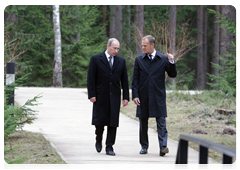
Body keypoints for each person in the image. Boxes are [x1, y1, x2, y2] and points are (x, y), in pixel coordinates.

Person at [132, 35, 177, 156]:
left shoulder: (163, 58)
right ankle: (144, 146)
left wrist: (172, 62)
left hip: (158, 96)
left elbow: (172, 74)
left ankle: (163, 147)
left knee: (161, 122)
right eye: (142, 45)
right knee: (143, 123)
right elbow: (135, 79)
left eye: (145, 45)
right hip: (143, 95)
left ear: (152, 45)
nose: (142, 47)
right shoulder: (139, 59)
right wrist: (135, 95)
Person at [87, 38, 129, 156]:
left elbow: (124, 81)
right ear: (108, 46)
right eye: (114, 48)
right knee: (99, 122)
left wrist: (126, 97)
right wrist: (92, 94)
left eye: (117, 49)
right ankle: (98, 139)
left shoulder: (121, 61)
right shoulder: (96, 59)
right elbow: (91, 78)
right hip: (100, 96)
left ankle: (109, 146)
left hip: (114, 96)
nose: (116, 51)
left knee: (113, 122)